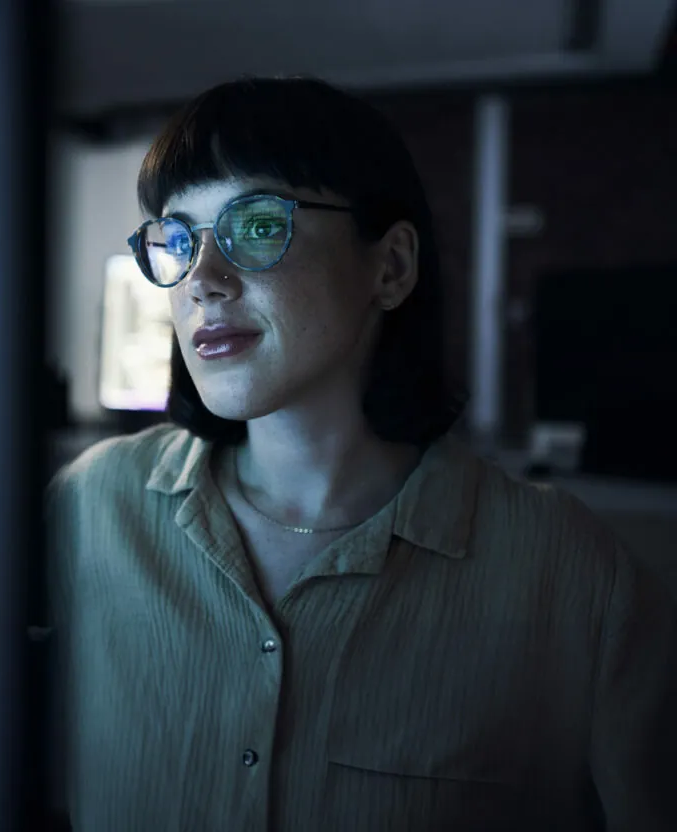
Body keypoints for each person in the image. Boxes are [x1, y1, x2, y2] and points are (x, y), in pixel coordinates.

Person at [45, 76, 677, 831]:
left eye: (254, 226)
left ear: (391, 267)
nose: (203, 282)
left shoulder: (573, 578)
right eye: (177, 241)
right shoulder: (91, 511)